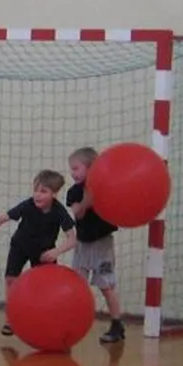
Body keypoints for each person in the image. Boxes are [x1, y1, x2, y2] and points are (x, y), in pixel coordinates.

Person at [0, 170, 76, 337]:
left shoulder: (59, 212)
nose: (37, 195)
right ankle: (11, 320)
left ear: (54, 193)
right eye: (35, 190)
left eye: (43, 191)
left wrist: (56, 251)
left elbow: (72, 239)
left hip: (44, 252)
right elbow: (1, 218)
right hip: (20, 246)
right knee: (10, 279)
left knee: (46, 287)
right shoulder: (28, 205)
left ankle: (46, 318)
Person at [66, 147, 127, 344]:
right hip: (83, 245)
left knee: (106, 285)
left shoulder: (107, 187)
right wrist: (87, 201)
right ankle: (71, 323)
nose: (72, 173)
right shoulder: (74, 192)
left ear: (92, 168)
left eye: (76, 168)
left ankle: (117, 324)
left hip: (103, 245)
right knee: (78, 284)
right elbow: (78, 213)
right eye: (71, 169)